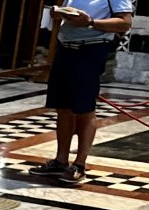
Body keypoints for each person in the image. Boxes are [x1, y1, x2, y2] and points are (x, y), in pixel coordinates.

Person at [28, 0, 132, 185]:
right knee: (63, 107)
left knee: (84, 109)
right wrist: (59, 14)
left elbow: (125, 23)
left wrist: (91, 22)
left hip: (90, 50)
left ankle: (79, 165)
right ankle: (60, 161)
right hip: (66, 49)